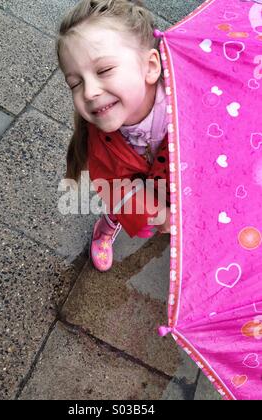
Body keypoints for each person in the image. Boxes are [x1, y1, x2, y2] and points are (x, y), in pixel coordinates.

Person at [56, 0, 170, 272]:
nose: (89, 92)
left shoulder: (190, 107)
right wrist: (156, 213)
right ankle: (105, 229)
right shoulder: (100, 136)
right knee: (116, 209)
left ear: (150, 67)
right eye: (76, 83)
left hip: (177, 186)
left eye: (104, 70)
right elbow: (114, 183)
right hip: (134, 192)